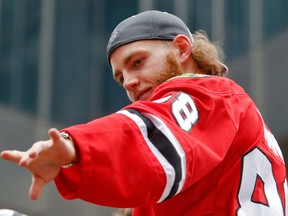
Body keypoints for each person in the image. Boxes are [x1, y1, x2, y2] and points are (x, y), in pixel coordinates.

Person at [1, 10, 287, 216]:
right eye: (120, 77)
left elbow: (147, 136)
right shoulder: (211, 127)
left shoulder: (214, 96)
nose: (129, 82)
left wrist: (75, 147)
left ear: (182, 49)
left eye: (137, 62)